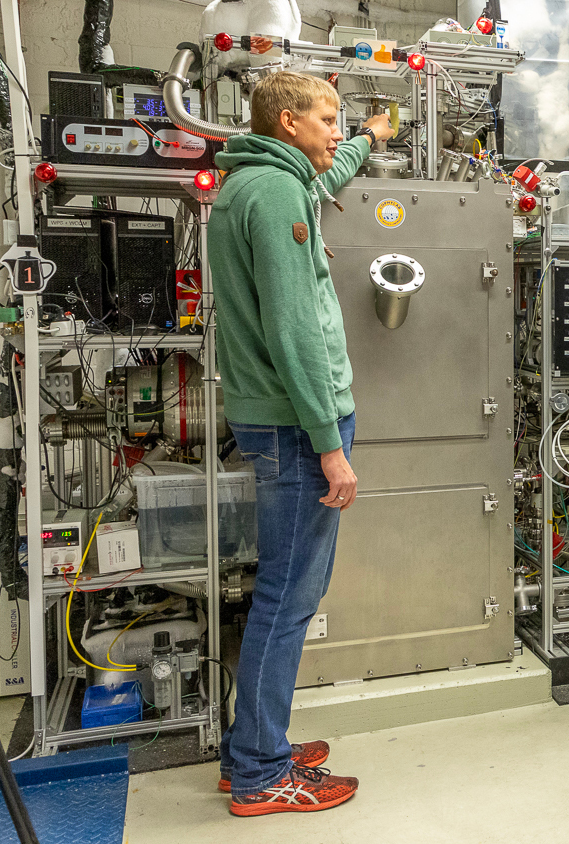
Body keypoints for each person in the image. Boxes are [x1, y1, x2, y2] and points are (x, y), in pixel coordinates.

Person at [208, 71, 391, 816]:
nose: (334, 130)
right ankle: (261, 771)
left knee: (284, 594)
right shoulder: (278, 193)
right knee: (288, 599)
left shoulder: (261, 179)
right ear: (288, 122)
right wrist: (329, 444)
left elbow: (330, 169)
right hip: (296, 426)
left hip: (279, 421)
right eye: (328, 118)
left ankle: (251, 747)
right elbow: (293, 331)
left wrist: (369, 139)